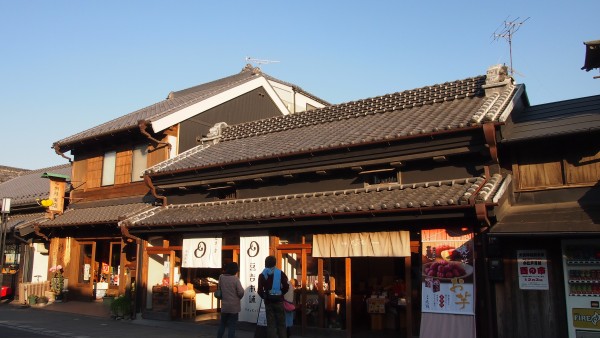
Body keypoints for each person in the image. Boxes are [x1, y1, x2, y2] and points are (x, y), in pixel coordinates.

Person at [258, 255, 289, 338]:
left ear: (265, 264)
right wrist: (280, 293)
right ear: (275, 263)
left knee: (271, 324)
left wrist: (265, 297)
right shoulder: (280, 273)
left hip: (268, 302)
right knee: (281, 324)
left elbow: (259, 291)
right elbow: (286, 286)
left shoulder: (262, 275)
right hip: (279, 301)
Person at [217, 262, 245, 338]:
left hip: (224, 306)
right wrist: (239, 297)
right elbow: (241, 292)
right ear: (235, 270)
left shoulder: (221, 277)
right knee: (232, 326)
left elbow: (219, 290)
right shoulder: (235, 279)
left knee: (222, 324)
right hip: (234, 306)